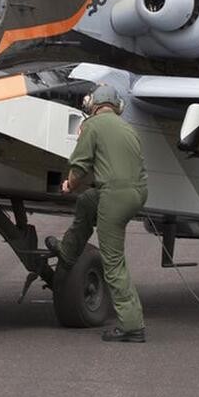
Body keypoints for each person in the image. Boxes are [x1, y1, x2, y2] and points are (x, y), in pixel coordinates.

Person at [46, 85, 148, 343]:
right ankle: (68, 250)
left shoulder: (92, 125)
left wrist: (69, 185)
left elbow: (80, 165)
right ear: (117, 106)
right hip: (135, 193)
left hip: (115, 196)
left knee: (113, 263)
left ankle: (132, 326)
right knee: (88, 201)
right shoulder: (128, 128)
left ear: (93, 104)